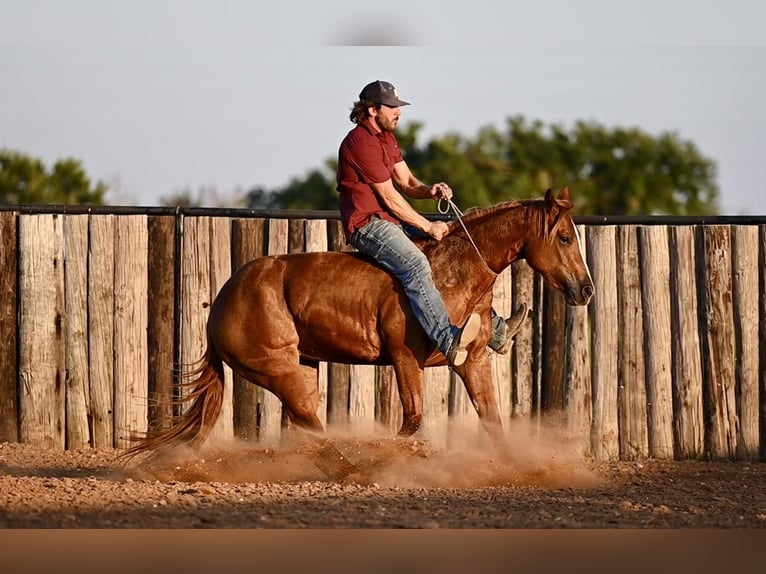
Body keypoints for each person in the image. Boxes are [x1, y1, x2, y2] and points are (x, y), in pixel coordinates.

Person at [336, 80, 528, 366]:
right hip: (367, 226)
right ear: (373, 110)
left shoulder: (385, 138)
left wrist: (430, 190)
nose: (399, 113)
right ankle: (447, 340)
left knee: (451, 246)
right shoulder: (360, 142)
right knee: (415, 264)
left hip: (390, 221)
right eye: (392, 108)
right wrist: (427, 227)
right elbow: (389, 197)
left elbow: (407, 182)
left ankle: (497, 332)